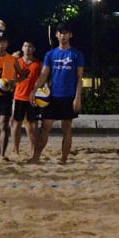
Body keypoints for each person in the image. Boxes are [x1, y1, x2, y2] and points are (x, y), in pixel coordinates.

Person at [29, 22, 84, 164]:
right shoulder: (51, 54)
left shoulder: (76, 54)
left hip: (69, 96)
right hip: (52, 97)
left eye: (65, 33)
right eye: (60, 33)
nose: (63, 35)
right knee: (45, 127)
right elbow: (43, 75)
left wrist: (77, 98)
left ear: (70, 35)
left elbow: (79, 78)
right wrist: (34, 90)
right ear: (56, 35)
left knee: (67, 128)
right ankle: (36, 157)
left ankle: (64, 159)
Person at [0, 34, 26, 159]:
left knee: (4, 124)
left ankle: (3, 155)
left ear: (7, 44)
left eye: (4, 42)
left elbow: (22, 75)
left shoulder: (12, 59)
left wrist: (13, 82)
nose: (2, 44)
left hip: (6, 94)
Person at [11, 40, 42, 157]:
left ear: (33, 49)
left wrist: (45, 91)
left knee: (33, 126)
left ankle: (33, 150)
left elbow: (42, 80)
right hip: (19, 96)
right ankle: (15, 150)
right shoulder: (16, 62)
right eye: (25, 46)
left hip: (32, 98)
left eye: (30, 46)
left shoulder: (38, 64)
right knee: (16, 124)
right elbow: (11, 78)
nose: (27, 48)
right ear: (22, 48)